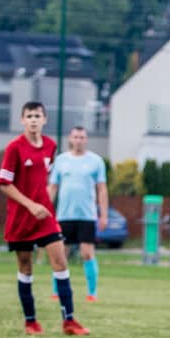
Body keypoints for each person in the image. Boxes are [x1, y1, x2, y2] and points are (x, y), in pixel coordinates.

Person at [0, 101, 89, 336]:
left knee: (60, 262)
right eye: (29, 116)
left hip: (44, 216)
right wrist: (30, 205)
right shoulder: (14, 148)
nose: (33, 120)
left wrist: (42, 203)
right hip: (21, 218)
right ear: (22, 120)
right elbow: (4, 184)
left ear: (44, 119)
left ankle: (69, 321)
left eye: (37, 116)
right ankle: (31, 322)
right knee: (25, 267)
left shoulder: (50, 145)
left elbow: (42, 179)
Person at [48, 126, 108, 302]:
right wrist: (45, 210)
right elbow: (52, 187)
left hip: (87, 215)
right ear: (70, 139)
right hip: (64, 215)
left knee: (87, 253)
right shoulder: (61, 161)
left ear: (86, 140)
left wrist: (103, 215)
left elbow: (102, 189)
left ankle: (92, 293)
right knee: (61, 253)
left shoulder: (96, 161)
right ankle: (57, 291)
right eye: (76, 137)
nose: (79, 140)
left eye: (82, 137)